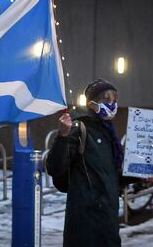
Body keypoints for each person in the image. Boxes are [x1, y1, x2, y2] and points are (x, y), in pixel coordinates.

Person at [46, 78, 123, 246]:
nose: (111, 103)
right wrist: (63, 137)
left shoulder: (109, 132)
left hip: (108, 219)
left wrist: (139, 176)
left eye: (114, 99)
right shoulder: (79, 127)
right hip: (86, 221)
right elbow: (54, 166)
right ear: (92, 102)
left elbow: (112, 175)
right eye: (106, 99)